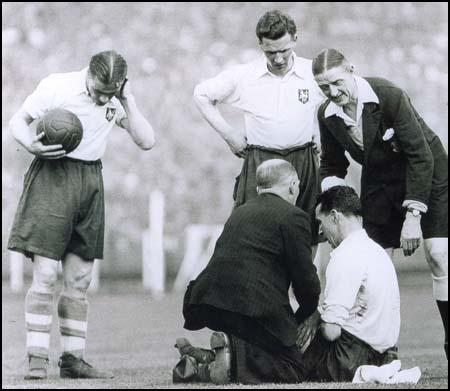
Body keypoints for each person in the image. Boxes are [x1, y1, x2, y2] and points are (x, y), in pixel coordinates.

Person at [8, 50, 156, 379]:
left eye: (112, 91)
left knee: (79, 279)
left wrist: (127, 100)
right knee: (46, 275)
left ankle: (73, 360)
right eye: (100, 89)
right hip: (52, 175)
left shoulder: (115, 99)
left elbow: (147, 141)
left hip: (90, 181)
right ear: (88, 74)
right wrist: (31, 144)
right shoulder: (57, 87)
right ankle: (36, 358)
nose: (104, 97)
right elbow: (17, 121)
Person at [312, 48, 448, 358]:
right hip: (378, 184)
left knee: (439, 255)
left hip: (429, 173)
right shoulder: (326, 115)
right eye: (324, 87)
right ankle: (379, 350)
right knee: (373, 263)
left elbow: (420, 155)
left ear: (352, 70)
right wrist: (333, 213)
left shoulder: (388, 95)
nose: (332, 93)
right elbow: (333, 167)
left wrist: (413, 216)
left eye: (337, 83)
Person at [176, 159, 321, 384]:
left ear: (258, 188)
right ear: (293, 185)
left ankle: (202, 362)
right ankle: (230, 360)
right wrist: (305, 315)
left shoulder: (239, 212)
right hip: (253, 307)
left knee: (254, 345)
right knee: (293, 367)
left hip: (208, 303)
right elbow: (306, 281)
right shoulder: (294, 217)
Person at [193, 9, 324, 246]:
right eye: (271, 52)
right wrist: (229, 134)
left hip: (303, 160)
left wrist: (320, 130)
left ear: (295, 39)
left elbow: (336, 100)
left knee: (305, 234)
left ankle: (303, 284)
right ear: (260, 45)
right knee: (255, 235)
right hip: (261, 161)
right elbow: (201, 94)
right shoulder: (244, 75)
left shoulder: (312, 71)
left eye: (284, 50)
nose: (278, 59)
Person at [297, 186, 401, 382]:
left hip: (349, 358)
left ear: (335, 216)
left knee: (284, 362)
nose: (319, 231)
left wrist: (316, 321)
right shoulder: (376, 251)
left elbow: (331, 332)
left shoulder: (344, 256)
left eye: (320, 221)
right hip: (384, 354)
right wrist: (319, 312)